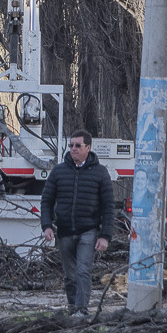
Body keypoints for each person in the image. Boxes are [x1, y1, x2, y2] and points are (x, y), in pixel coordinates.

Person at [40, 130, 114, 317]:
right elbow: (46, 200)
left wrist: (105, 236)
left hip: (88, 231)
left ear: (88, 148)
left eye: (78, 145)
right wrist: (47, 225)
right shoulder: (59, 171)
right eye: (71, 145)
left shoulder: (100, 172)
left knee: (83, 271)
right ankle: (73, 308)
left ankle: (82, 310)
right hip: (64, 231)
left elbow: (108, 206)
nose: (73, 149)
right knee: (70, 275)